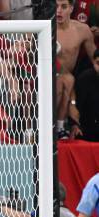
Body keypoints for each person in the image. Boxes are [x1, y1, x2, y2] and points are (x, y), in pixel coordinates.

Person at [56, 0, 96, 137]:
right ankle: (58, 126)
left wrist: (73, 103)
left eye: (63, 6)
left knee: (70, 79)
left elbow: (95, 59)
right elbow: (25, 43)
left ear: (72, 9)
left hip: (69, 84)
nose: (58, 10)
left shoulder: (82, 30)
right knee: (66, 79)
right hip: (44, 80)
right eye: (55, 6)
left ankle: (62, 127)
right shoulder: (45, 28)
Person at [69, 49, 99, 142]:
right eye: (98, 63)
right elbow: (77, 106)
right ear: (93, 62)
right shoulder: (85, 78)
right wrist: (75, 125)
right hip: (89, 128)